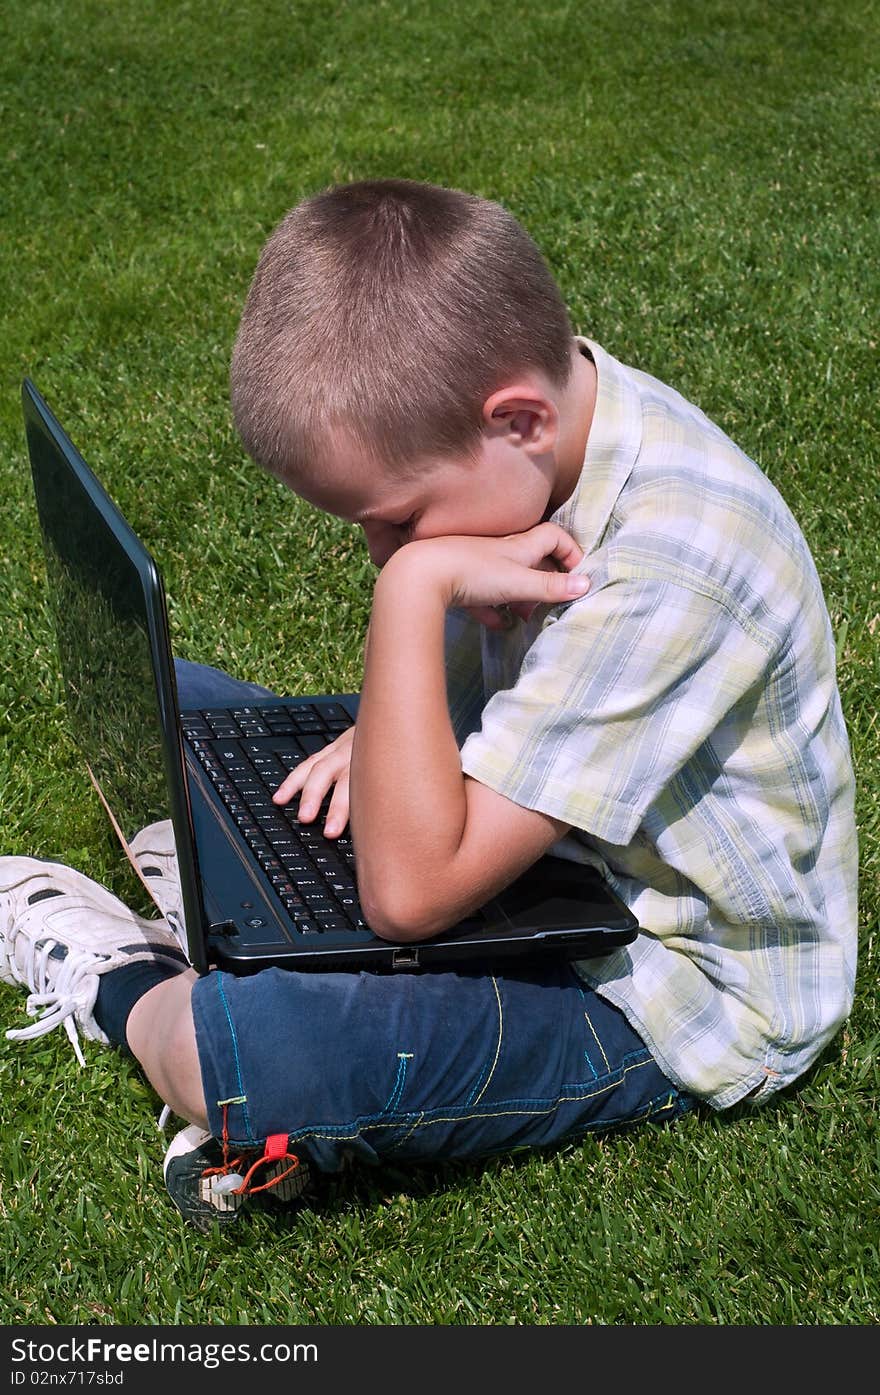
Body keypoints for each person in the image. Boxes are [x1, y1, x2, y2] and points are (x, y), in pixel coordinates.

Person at [0, 179, 858, 1230]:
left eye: (395, 521)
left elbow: (406, 898)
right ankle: (238, 920)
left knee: (248, 1050)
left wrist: (413, 591)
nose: (380, 551)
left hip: (656, 982)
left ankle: (129, 976)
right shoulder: (537, 437)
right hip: (530, 848)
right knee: (175, 708)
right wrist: (382, 724)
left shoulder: (673, 567)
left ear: (518, 420)